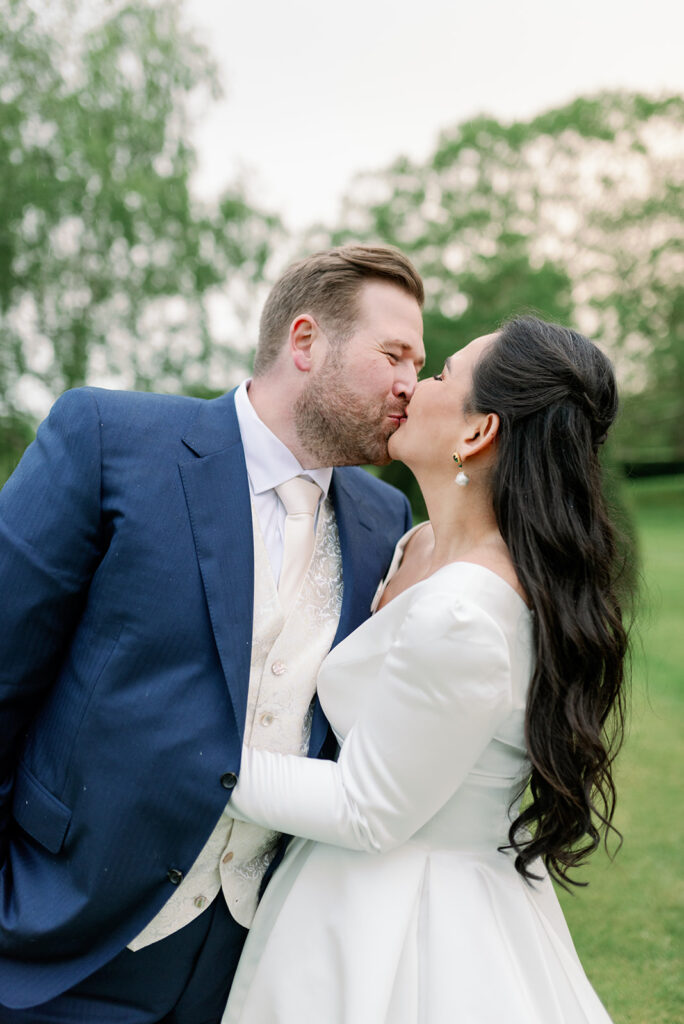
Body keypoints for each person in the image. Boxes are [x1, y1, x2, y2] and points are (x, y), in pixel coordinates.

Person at [0, 245, 426, 1021]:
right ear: (305, 342)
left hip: (249, 960)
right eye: (393, 353)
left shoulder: (383, 518)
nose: (411, 383)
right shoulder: (109, 439)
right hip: (57, 936)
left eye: (418, 362)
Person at [219, 316, 631, 1024]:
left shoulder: (467, 612)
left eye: (441, 375)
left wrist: (189, 760)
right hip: (340, 885)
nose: (413, 385)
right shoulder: (414, 547)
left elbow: (366, 807)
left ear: (477, 434)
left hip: (412, 921)